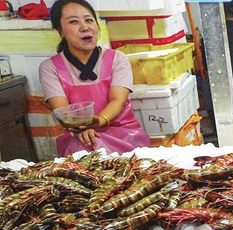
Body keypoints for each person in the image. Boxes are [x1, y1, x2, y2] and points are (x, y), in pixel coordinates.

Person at [39, 0, 150, 156]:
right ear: (60, 31)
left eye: (89, 20)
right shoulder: (49, 68)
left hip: (123, 133)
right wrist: (83, 128)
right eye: (74, 22)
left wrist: (99, 121)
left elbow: (118, 100)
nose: (85, 27)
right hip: (79, 136)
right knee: (82, 153)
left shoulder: (118, 59)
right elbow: (63, 111)